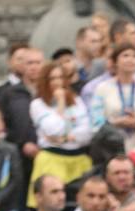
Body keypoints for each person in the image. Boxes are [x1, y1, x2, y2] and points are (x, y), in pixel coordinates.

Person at [27, 61, 95, 203]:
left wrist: (67, 138)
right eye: (52, 78)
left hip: (78, 160)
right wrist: (61, 103)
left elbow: (87, 132)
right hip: (52, 160)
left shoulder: (77, 101)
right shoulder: (38, 104)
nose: (57, 82)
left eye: (60, 77)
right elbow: (54, 130)